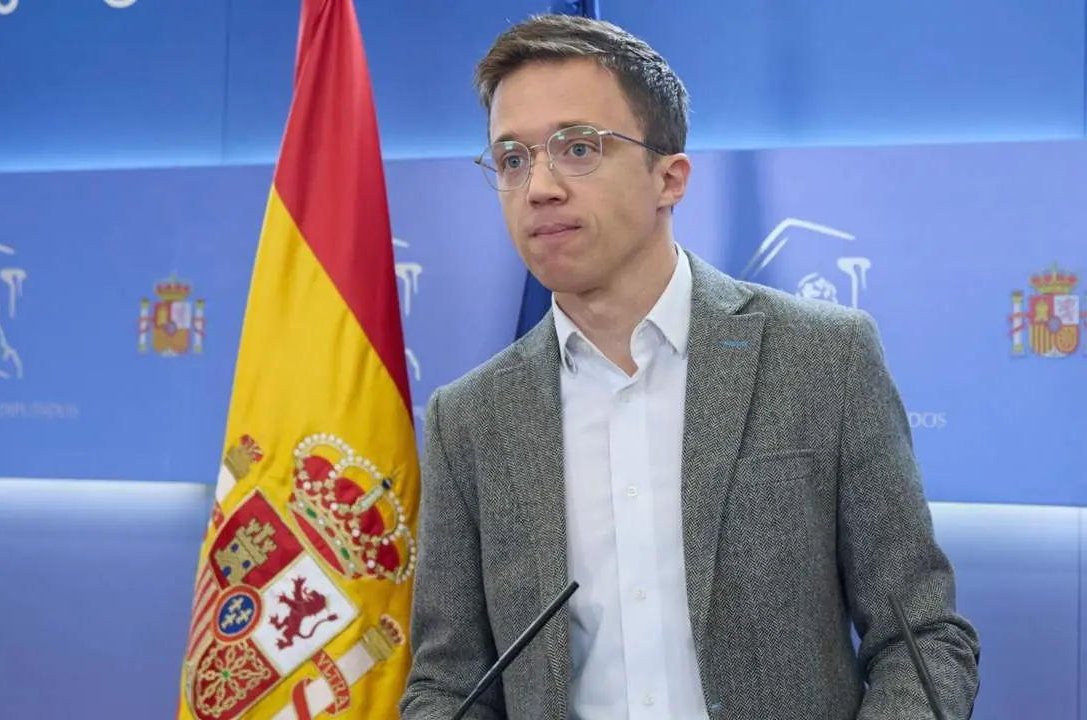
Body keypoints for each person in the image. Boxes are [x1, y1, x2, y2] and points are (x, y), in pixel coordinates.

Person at [399, 13, 980, 720]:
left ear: (669, 177)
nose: (539, 186)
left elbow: (921, 637)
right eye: (513, 159)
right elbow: (447, 683)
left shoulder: (823, 359)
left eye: (577, 148)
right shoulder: (472, 418)